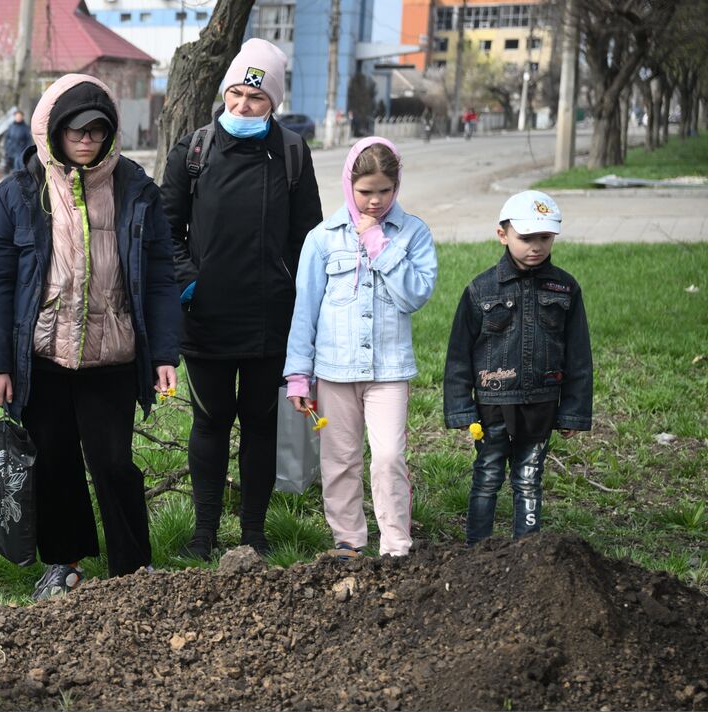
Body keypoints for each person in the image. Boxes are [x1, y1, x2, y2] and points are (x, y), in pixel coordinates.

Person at [0, 73, 181, 599]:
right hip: (41, 355)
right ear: (52, 131)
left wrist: (163, 353)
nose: (86, 138)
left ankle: (135, 567)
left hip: (113, 354)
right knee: (55, 459)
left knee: (113, 462)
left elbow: (159, 275)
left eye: (97, 129)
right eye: (75, 129)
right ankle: (62, 563)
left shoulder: (135, 189)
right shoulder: (16, 195)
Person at [161, 38, 323, 559]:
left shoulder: (293, 153)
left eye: (255, 98)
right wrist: (190, 282)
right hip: (204, 317)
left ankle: (253, 532)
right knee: (209, 423)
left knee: (260, 424)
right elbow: (166, 230)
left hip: (268, 318)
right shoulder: (192, 150)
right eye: (235, 94)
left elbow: (308, 236)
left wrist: (291, 291)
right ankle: (203, 533)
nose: (242, 106)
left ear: (272, 101)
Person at [283, 137, 439, 558]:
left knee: (388, 456)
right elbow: (305, 311)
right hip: (334, 372)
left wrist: (379, 245)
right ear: (348, 184)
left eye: (385, 191)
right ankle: (349, 541)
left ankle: (396, 546)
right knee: (340, 461)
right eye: (366, 191)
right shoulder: (322, 238)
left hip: (389, 372)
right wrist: (299, 375)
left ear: (397, 185)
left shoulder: (413, 233)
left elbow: (415, 295)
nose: (375, 201)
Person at [443, 191, 592, 544]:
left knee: (528, 478)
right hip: (493, 406)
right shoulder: (480, 290)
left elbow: (579, 356)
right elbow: (458, 355)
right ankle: (477, 550)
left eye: (545, 237)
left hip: (541, 404)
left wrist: (572, 413)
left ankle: (528, 554)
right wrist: (461, 408)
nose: (536, 246)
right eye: (526, 238)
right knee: (488, 476)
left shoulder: (565, 288)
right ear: (503, 235)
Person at [1, 107, 31, 175]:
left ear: (22, 117)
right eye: (17, 116)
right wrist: (6, 149)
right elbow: (6, 138)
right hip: (11, 152)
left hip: (21, 151)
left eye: (20, 116)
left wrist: (26, 151)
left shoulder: (25, 128)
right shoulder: (11, 127)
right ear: (14, 117)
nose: (18, 117)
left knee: (19, 168)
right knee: (9, 170)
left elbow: (29, 141)